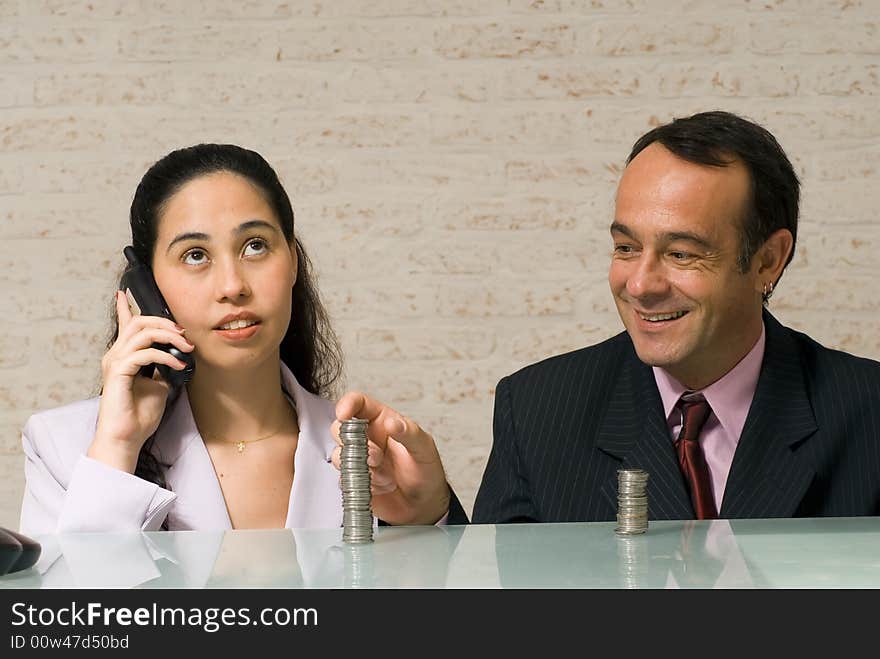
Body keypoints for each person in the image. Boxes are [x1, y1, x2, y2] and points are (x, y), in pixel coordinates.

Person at [336, 110, 880, 524]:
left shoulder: (867, 413)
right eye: (625, 248)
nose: (640, 284)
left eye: (682, 253)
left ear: (768, 258)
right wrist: (432, 517)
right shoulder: (539, 409)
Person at [19, 143, 455, 535]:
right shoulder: (65, 447)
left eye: (255, 246)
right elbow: (74, 620)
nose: (232, 285)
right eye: (195, 255)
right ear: (146, 287)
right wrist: (117, 446)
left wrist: (427, 517)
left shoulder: (374, 457)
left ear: (293, 262)